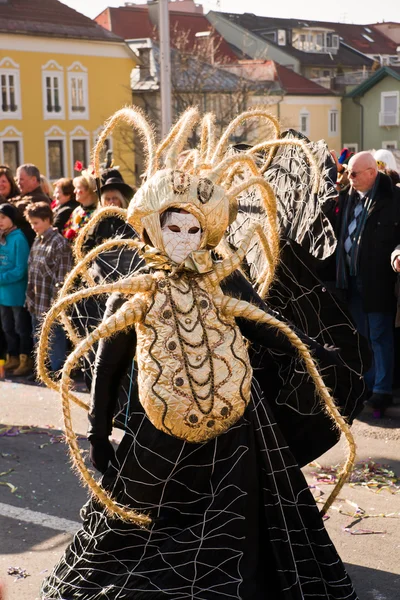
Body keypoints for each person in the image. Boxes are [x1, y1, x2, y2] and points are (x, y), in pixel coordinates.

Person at [39, 107, 360, 599]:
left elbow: (265, 327)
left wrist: (313, 351)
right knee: (144, 510)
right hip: (160, 421)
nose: (184, 241)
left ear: (206, 229)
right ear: (152, 226)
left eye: (194, 231)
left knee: (244, 505)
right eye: (174, 229)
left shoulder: (223, 275)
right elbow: (110, 359)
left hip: (237, 422)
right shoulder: (136, 286)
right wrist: (98, 431)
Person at [335, 151, 400, 417]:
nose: (349, 178)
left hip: (378, 280)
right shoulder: (346, 197)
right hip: (349, 278)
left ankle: (382, 391)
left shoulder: (393, 199)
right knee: (361, 338)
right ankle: (368, 386)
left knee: (379, 335)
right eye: (348, 172)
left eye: (354, 173)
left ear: (372, 173)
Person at [25, 202, 72, 373]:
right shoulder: (38, 240)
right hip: (37, 299)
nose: (33, 227)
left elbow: (63, 276)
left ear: (47, 220)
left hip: (50, 302)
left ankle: (56, 369)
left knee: (55, 336)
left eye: (36, 223)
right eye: (31, 223)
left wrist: (56, 304)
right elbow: (32, 269)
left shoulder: (59, 243)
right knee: (39, 336)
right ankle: (42, 369)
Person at [0, 203, 33, 376]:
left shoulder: (18, 238)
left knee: (21, 328)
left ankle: (24, 359)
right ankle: (12, 357)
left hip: (16, 293)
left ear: (12, 219)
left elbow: (21, 270)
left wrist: (1, 278)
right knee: (7, 327)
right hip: (2, 294)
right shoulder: (1, 237)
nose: (0, 221)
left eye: (3, 218)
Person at [63, 170, 98, 242]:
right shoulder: (77, 211)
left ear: (89, 190)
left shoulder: (97, 212)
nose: (74, 191)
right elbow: (66, 231)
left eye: (78, 188)